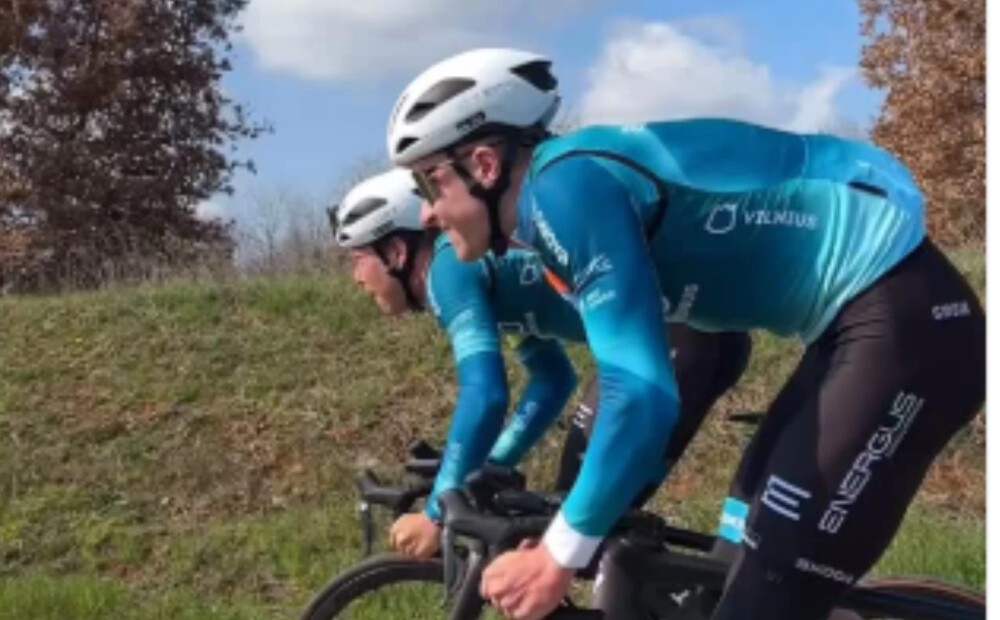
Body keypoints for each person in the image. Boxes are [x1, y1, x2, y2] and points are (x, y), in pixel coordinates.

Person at [385, 47, 986, 620]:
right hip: (853, 329)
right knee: (732, 575)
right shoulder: (549, 217)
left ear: (484, 166)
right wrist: (565, 531)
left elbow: (641, 390)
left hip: (904, 325)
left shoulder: (564, 192)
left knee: (768, 582)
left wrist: (557, 554)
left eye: (430, 184)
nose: (428, 214)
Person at [331, 168, 751, 561]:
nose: (356, 278)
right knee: (599, 527)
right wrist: (496, 461)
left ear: (396, 251)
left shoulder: (448, 272)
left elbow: (484, 394)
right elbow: (552, 379)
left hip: (676, 336)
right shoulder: (482, 267)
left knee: (573, 518)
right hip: (699, 336)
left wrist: (437, 511)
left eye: (357, 259)